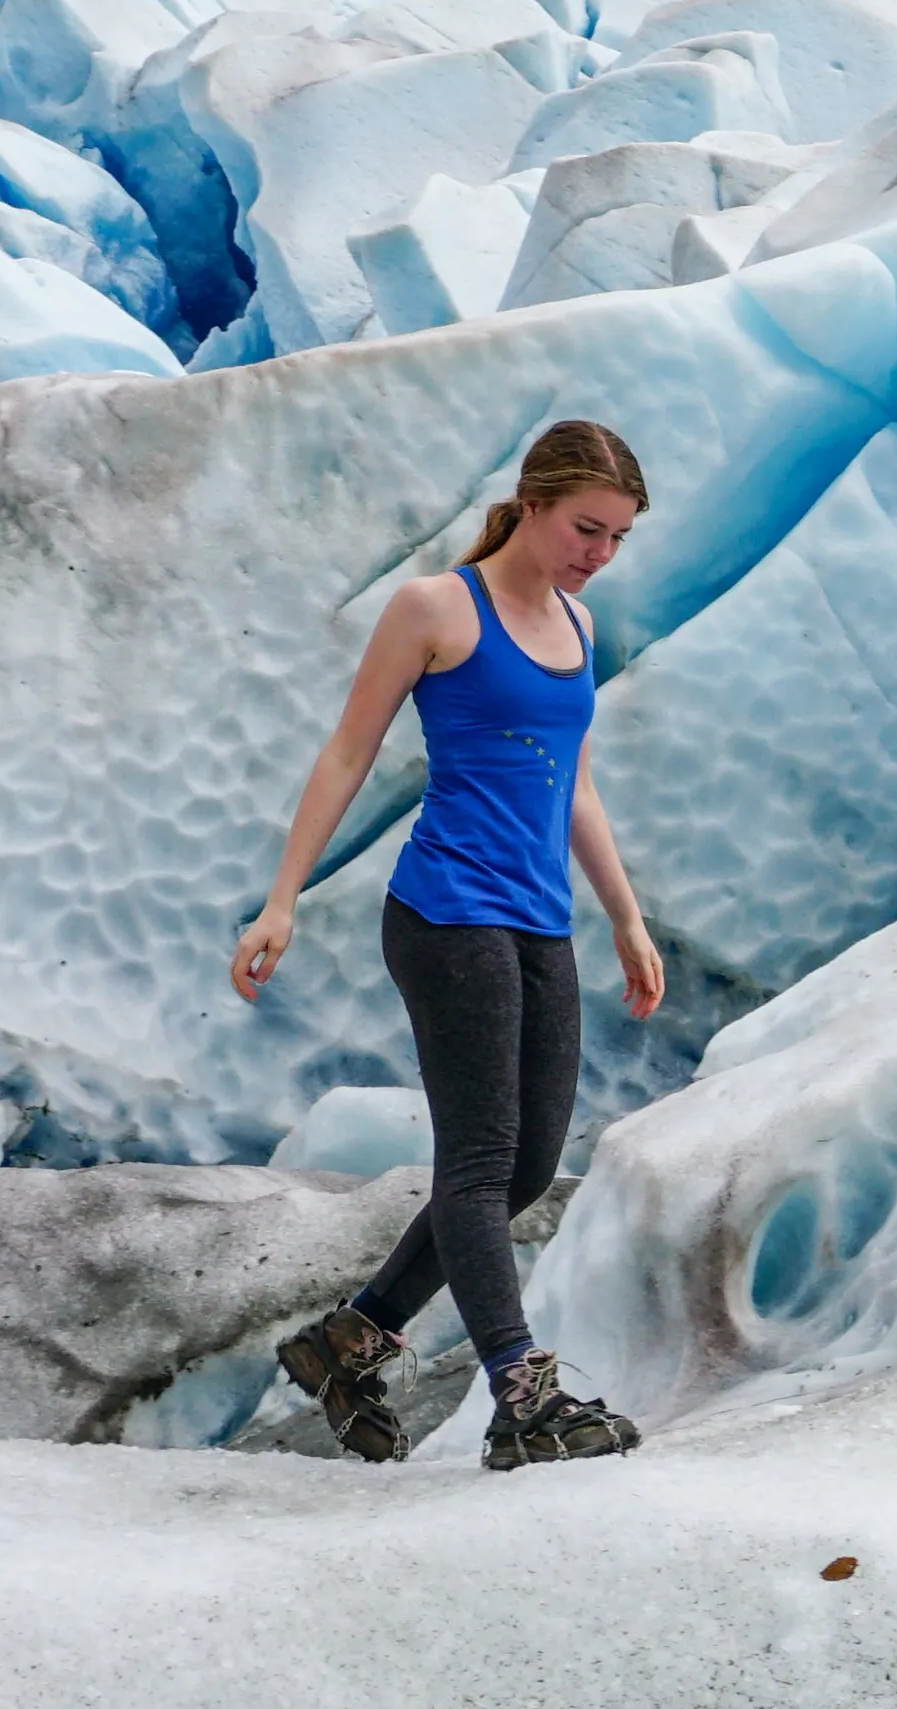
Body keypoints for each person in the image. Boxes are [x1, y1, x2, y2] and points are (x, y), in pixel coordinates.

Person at [229, 419, 663, 1471]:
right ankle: (522, 1395)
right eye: (585, 527)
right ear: (533, 501)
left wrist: (624, 913)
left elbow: (577, 785)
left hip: (535, 918)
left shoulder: (576, 623)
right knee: (476, 1162)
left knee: (524, 1168)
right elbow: (347, 752)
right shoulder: (436, 607)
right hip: (445, 913)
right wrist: (281, 898)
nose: (597, 552)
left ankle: (349, 1341)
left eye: (615, 537)